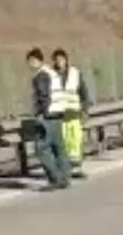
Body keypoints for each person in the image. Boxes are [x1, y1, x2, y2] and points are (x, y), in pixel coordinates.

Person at [26, 48, 72, 191]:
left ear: (35, 60)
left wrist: (40, 113)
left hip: (48, 117)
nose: (30, 65)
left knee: (41, 149)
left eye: (30, 62)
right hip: (58, 115)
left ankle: (55, 178)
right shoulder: (53, 73)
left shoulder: (41, 76)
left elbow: (44, 96)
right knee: (59, 148)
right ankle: (64, 178)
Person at [52, 48, 91, 178]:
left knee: (75, 141)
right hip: (59, 115)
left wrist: (85, 110)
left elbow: (83, 92)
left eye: (61, 59)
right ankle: (64, 168)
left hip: (74, 114)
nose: (59, 62)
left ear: (66, 60)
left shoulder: (75, 74)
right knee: (63, 143)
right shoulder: (51, 76)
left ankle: (77, 168)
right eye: (57, 60)